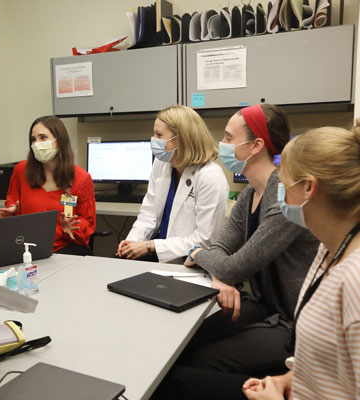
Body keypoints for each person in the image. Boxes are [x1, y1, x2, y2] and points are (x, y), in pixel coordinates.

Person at [157, 104, 319, 399]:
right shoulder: (249, 194)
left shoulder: (284, 198)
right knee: (182, 342)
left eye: (229, 138)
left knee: (193, 363)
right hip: (262, 304)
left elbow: (230, 265)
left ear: (256, 145)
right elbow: (219, 247)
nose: (223, 144)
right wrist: (217, 268)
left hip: (292, 323)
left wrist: (197, 254)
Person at [242, 125, 360, 399]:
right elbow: (332, 361)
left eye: (284, 184)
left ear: (308, 188)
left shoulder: (354, 280)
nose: (279, 194)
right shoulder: (328, 249)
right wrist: (290, 379)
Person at [116, 105, 229, 262]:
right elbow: (149, 213)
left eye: (159, 135)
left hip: (190, 262)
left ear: (181, 139)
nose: (153, 140)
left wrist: (151, 246)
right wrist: (133, 241)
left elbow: (205, 239)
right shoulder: (163, 163)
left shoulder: (210, 176)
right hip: (159, 253)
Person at [0, 115, 95, 255]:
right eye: (33, 139)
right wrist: (11, 211)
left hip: (64, 250)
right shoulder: (21, 170)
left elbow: (87, 223)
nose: (37, 143)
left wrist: (72, 226)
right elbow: (12, 201)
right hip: (28, 249)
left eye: (43, 138)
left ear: (59, 141)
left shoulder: (80, 178)